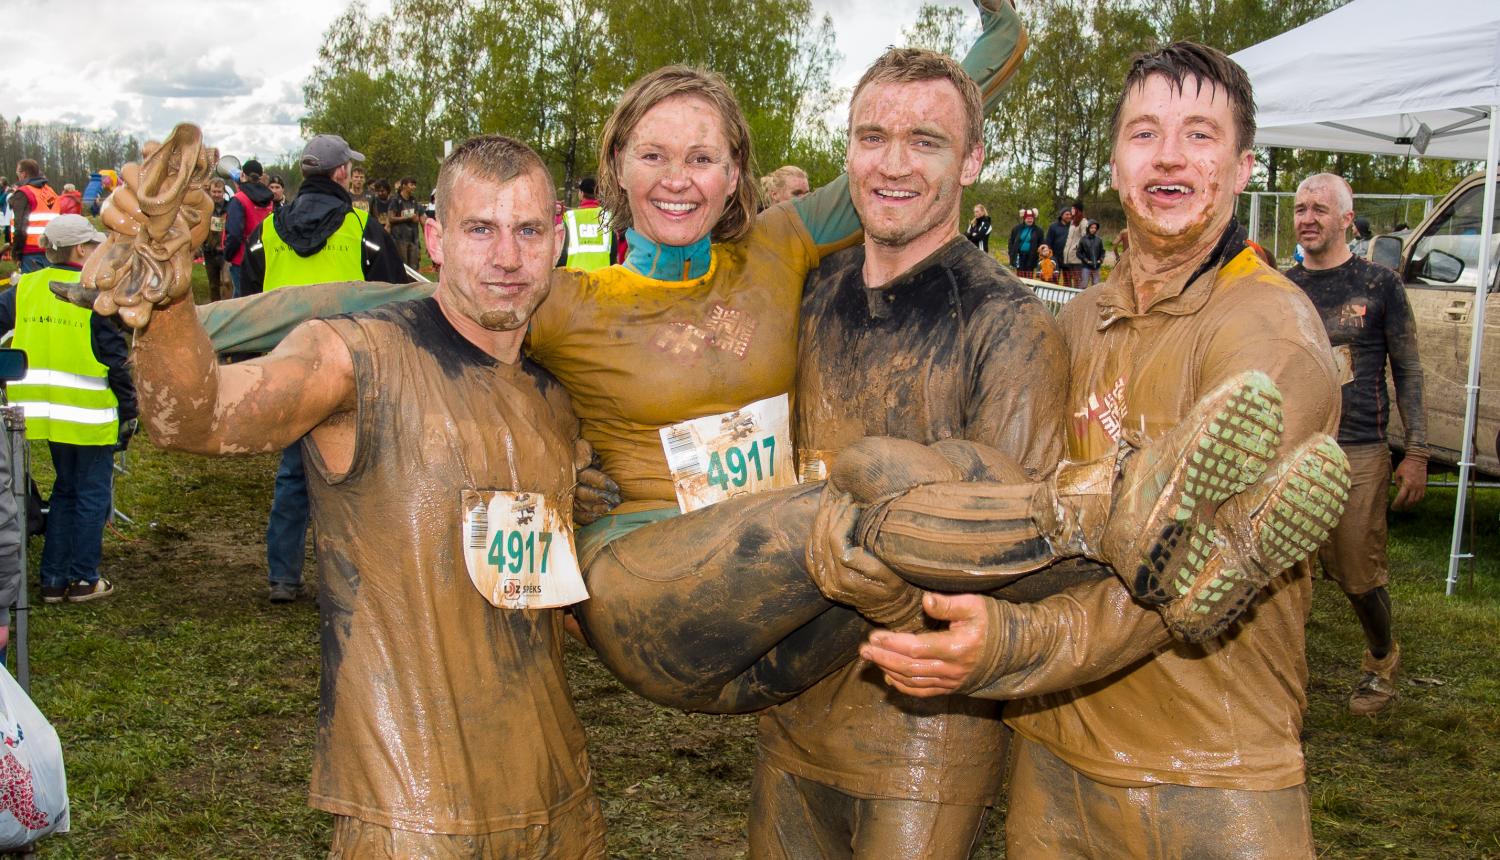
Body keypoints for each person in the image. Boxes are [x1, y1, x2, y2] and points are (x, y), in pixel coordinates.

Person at [857, 42, 1349, 857]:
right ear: (1118, 164)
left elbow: (1188, 579)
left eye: (1199, 135)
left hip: (1212, 769)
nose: (1168, 157)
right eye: (1144, 133)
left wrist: (1011, 645)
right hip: (1055, 756)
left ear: (1241, 166)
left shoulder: (1269, 332)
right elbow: (1037, 507)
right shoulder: (1078, 322)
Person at [89, 128, 607, 857]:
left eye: (527, 230)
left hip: (559, 802)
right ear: (434, 238)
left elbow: (561, 602)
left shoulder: (555, 396)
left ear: (557, 240)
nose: (507, 258)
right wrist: (168, 296)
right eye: (480, 229)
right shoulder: (354, 356)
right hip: (409, 817)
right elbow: (198, 417)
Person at [750, 48, 1069, 859]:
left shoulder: (1009, 323)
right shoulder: (809, 297)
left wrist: (894, 602)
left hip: (927, 731)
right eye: (872, 137)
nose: (893, 164)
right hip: (792, 708)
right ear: (847, 151)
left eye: (924, 141)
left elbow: (1016, 545)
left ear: (971, 161)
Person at [242, 134, 409, 603]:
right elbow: (393, 291)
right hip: (350, 367)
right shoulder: (363, 229)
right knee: (354, 475)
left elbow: (249, 298)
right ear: (340, 174)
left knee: (294, 473)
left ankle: (283, 576)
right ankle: (350, 576)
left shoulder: (267, 232)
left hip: (287, 370)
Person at [1286, 171, 1426, 716]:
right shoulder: (1281, 285)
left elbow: (1409, 370)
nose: (1307, 218)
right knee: (1281, 572)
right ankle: (1281, 676)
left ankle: (1381, 658)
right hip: (1293, 445)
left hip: (1359, 447)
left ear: (1347, 218)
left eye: (1320, 208)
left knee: (1356, 573)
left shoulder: (1380, 285)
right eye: (1300, 209)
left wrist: (1415, 452)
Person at [0, 214, 136, 604]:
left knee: (64, 489)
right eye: (94, 247)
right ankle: (82, 579)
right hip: (89, 413)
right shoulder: (91, 291)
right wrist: (130, 410)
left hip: (41, 413)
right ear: (80, 250)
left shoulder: (24, 287)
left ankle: (53, 579)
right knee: (92, 494)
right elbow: (114, 359)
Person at [222, 158, 274, 297]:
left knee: (240, 300)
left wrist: (228, 254)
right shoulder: (269, 200)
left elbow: (234, 234)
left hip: (242, 259)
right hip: (264, 257)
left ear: (242, 175)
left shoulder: (239, 199)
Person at [8, 160, 60, 273]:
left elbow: (20, 226)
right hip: (51, 249)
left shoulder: (24, 193)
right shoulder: (51, 192)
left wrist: (16, 253)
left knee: (32, 288)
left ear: (24, 174)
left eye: (17, 172)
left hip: (31, 251)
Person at [559, 177, 612, 271]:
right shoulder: (607, 217)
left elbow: (562, 252)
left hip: (575, 278)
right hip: (602, 279)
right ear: (597, 193)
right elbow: (613, 252)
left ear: (581, 193)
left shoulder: (570, 217)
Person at [387, 177, 422, 270]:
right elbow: (391, 218)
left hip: (413, 237)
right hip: (399, 238)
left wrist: (415, 219)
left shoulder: (413, 200)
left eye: (415, 185)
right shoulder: (395, 200)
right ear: (404, 186)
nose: (414, 187)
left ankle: (414, 284)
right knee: (403, 266)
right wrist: (407, 218)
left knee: (414, 266)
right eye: (411, 185)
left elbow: (416, 218)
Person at [203, 178, 229, 301]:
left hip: (225, 253)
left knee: (227, 283)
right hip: (209, 252)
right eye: (214, 191)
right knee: (213, 285)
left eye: (219, 192)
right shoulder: (204, 208)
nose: (217, 194)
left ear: (224, 192)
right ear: (210, 192)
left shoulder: (230, 207)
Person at [1007, 207, 1042, 276]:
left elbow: (1041, 243)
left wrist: (1038, 256)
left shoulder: (1038, 230)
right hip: (1019, 256)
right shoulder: (1016, 228)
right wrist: (1011, 253)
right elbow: (1011, 241)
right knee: (1020, 276)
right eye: (1028, 218)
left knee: (1029, 275)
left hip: (1031, 256)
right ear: (1024, 219)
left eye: (1031, 218)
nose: (1030, 220)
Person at [1043, 207, 1070, 282]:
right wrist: (1048, 254)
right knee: (1054, 278)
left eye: (1070, 214)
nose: (1069, 216)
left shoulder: (1072, 227)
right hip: (1055, 256)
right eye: (1067, 214)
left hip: (1067, 257)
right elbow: (1048, 241)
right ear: (1061, 215)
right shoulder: (1053, 226)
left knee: (1067, 280)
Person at [1077, 218, 1104, 287]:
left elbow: (1102, 252)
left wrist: (1100, 260)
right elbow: (1079, 253)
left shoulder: (1099, 240)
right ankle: (1081, 297)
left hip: (1097, 267)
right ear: (1088, 228)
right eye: (1092, 227)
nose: (1093, 229)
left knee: (1096, 286)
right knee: (1083, 285)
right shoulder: (1083, 239)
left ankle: (1095, 298)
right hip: (1086, 266)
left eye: (1095, 228)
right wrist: (1086, 260)